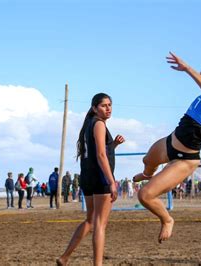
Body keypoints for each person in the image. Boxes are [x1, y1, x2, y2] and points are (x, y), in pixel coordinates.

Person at [132, 51, 201, 244]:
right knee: (146, 161)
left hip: (185, 158)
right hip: (170, 142)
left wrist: (187, 69)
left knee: (145, 195)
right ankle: (148, 173)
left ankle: (167, 219)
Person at [57, 93, 125, 266]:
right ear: (94, 108)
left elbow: (100, 151)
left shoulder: (89, 125)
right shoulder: (99, 124)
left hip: (87, 177)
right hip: (99, 177)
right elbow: (101, 155)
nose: (108, 108)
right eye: (104, 105)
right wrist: (111, 181)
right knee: (100, 225)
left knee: (90, 220)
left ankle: (64, 258)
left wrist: (114, 145)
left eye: (110, 105)